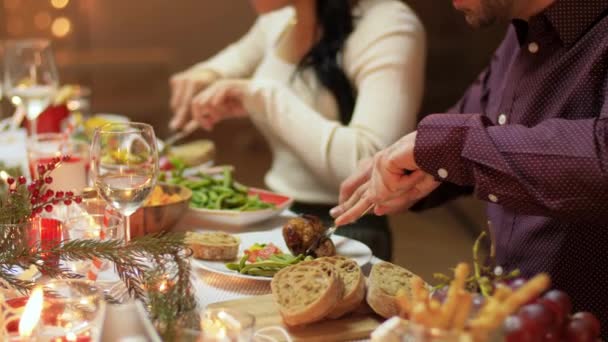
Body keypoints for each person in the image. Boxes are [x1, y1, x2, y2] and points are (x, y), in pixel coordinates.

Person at [332, 0, 608, 335]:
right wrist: (409, 165)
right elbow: (475, 124)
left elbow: (601, 156)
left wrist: (449, 149)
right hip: (501, 319)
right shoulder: (523, 29)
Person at [169, 0, 426, 260]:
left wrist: (263, 98)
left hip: (346, 231)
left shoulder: (388, 25)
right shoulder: (284, 17)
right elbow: (231, 61)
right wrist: (206, 75)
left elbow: (372, 165)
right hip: (277, 217)